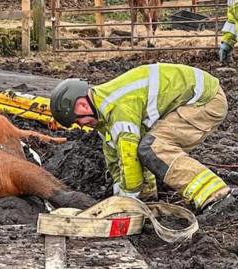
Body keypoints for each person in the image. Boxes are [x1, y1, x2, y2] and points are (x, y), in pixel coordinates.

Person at [50, 63, 235, 213]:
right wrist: (134, 196)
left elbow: (129, 159)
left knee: (154, 147)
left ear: (82, 105)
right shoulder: (105, 117)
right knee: (144, 146)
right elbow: (116, 159)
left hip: (205, 101)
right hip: (193, 98)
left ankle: (216, 195)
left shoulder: (119, 108)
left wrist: (125, 204)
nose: (80, 126)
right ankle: (147, 195)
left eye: (77, 121)